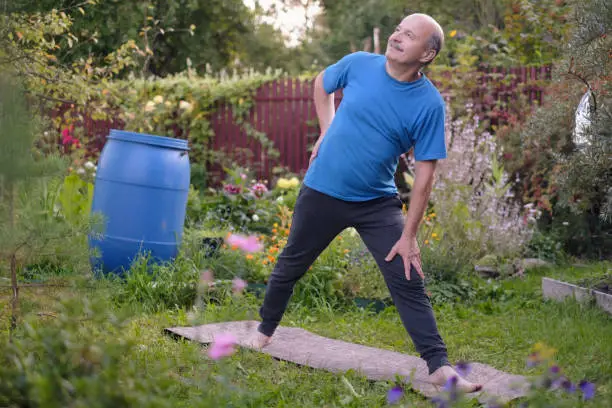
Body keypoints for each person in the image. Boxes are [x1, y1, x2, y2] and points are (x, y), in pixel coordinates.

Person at [246, 13, 482, 393]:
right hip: (322, 191)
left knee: (408, 275)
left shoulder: (428, 104)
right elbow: (321, 84)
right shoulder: (358, 64)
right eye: (398, 30)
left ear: (428, 54)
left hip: (376, 202)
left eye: (410, 36)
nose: (397, 37)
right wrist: (328, 128)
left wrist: (409, 235)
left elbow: (424, 178)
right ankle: (264, 331)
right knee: (290, 264)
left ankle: (439, 367)